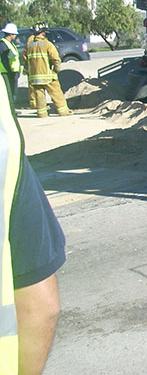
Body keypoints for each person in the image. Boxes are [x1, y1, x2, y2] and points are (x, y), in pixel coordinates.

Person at [0, 66, 66, 374]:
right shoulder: (4, 140)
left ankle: (45, 113)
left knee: (40, 94)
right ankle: (59, 111)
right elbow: (41, 306)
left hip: (31, 79)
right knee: (52, 91)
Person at [21, 24, 72, 118]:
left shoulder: (29, 45)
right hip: (47, 75)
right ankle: (63, 111)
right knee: (56, 92)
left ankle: (42, 113)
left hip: (34, 77)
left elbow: (24, 60)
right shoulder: (47, 44)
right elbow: (56, 59)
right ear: (43, 32)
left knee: (39, 95)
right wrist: (56, 71)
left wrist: (28, 72)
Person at [0, 24, 21, 103]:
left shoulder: (10, 44)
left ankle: (12, 108)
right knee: (10, 92)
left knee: (13, 92)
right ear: (10, 34)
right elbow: (4, 60)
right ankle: (11, 109)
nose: (15, 36)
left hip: (12, 72)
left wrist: (17, 71)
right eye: (14, 34)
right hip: (7, 72)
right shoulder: (3, 44)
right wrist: (9, 71)